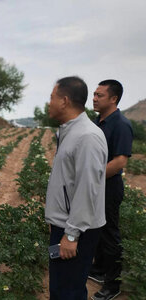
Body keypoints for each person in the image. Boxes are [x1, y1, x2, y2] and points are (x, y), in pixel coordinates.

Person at [45, 76, 108, 299]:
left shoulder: (87, 137)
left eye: (52, 97)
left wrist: (71, 235)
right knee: (62, 287)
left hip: (76, 230)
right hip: (66, 224)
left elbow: (87, 189)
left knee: (68, 291)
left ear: (64, 100)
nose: (49, 102)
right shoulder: (70, 131)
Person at [89, 80, 133, 300]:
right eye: (94, 94)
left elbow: (119, 162)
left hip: (108, 187)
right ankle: (98, 269)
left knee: (109, 234)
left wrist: (91, 179)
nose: (94, 98)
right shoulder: (98, 122)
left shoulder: (121, 124)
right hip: (96, 186)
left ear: (113, 99)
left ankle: (113, 284)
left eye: (100, 95)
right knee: (96, 228)